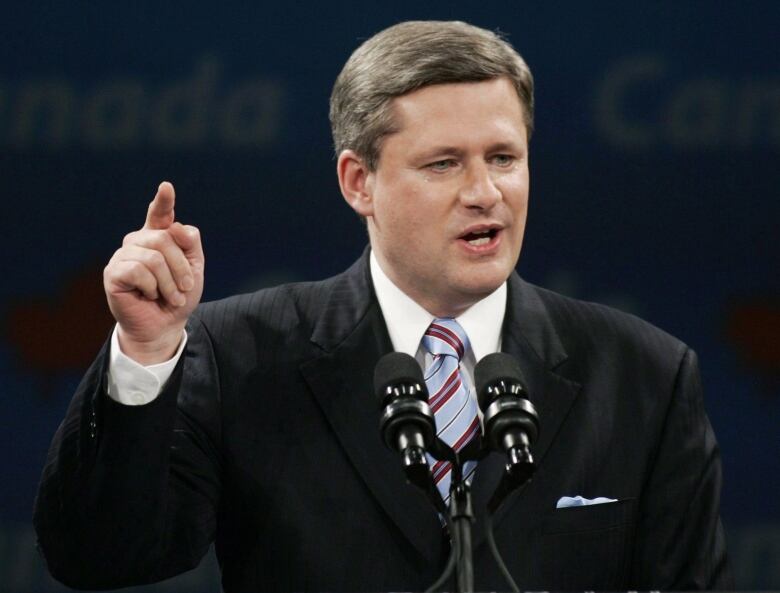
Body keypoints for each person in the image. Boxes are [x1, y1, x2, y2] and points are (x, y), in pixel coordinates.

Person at [34, 20, 731, 591]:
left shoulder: (645, 375)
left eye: (504, 158)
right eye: (444, 163)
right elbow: (101, 556)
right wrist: (149, 353)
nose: (485, 191)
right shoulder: (241, 353)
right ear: (358, 181)